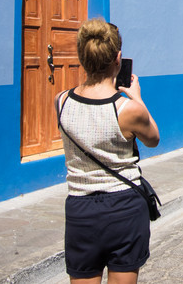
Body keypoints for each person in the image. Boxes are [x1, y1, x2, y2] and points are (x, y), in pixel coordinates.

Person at [55, 18, 160, 283]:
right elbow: (153, 139)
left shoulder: (61, 101)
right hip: (124, 208)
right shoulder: (127, 110)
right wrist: (137, 98)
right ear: (118, 58)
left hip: (80, 209)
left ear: (82, 57)